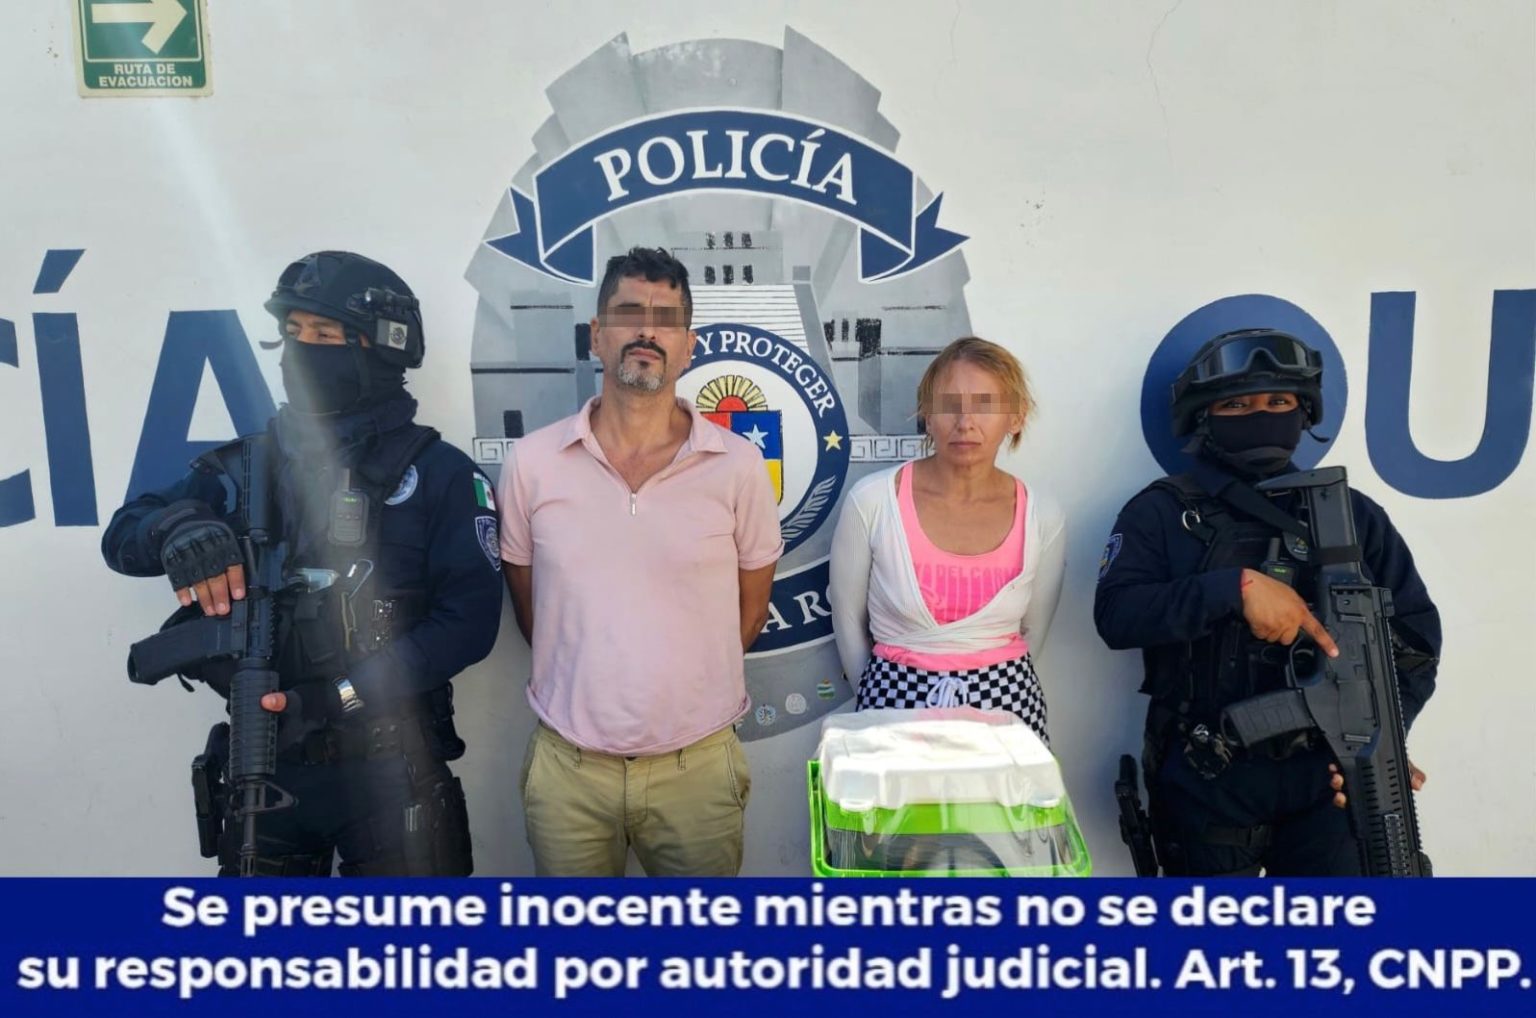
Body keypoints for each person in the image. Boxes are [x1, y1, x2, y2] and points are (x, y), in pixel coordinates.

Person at [102, 251, 503, 876]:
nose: (300, 351)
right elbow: (123, 536)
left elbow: (468, 625)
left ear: (380, 347)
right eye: (292, 333)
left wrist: (340, 696)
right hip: (266, 773)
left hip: (390, 768)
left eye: (324, 334)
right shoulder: (246, 469)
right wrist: (179, 530)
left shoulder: (439, 474)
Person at [1094, 328, 1441, 876]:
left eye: (1279, 402)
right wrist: (1232, 589)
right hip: (1208, 779)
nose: (1261, 415)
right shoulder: (1162, 513)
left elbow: (1416, 644)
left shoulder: (1352, 517)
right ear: (1204, 417)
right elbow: (1117, 616)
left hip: (1327, 785)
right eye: (1237, 404)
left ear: (1305, 413)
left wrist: (1377, 744)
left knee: (1346, 928)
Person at [498, 246, 783, 877]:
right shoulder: (531, 464)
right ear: (597, 336)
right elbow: (529, 603)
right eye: (628, 313)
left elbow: (751, 609)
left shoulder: (737, 466)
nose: (647, 331)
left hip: (697, 769)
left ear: (688, 347)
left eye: (667, 318)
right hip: (568, 771)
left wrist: (681, 681)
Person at [828, 337, 1066, 745]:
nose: (965, 421)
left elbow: (1035, 628)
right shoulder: (872, 501)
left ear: (1016, 417)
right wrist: (882, 690)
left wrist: (992, 680)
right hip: (892, 701)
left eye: (985, 404)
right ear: (926, 414)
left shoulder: (1041, 513)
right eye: (949, 404)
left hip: (1008, 707)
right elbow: (847, 618)